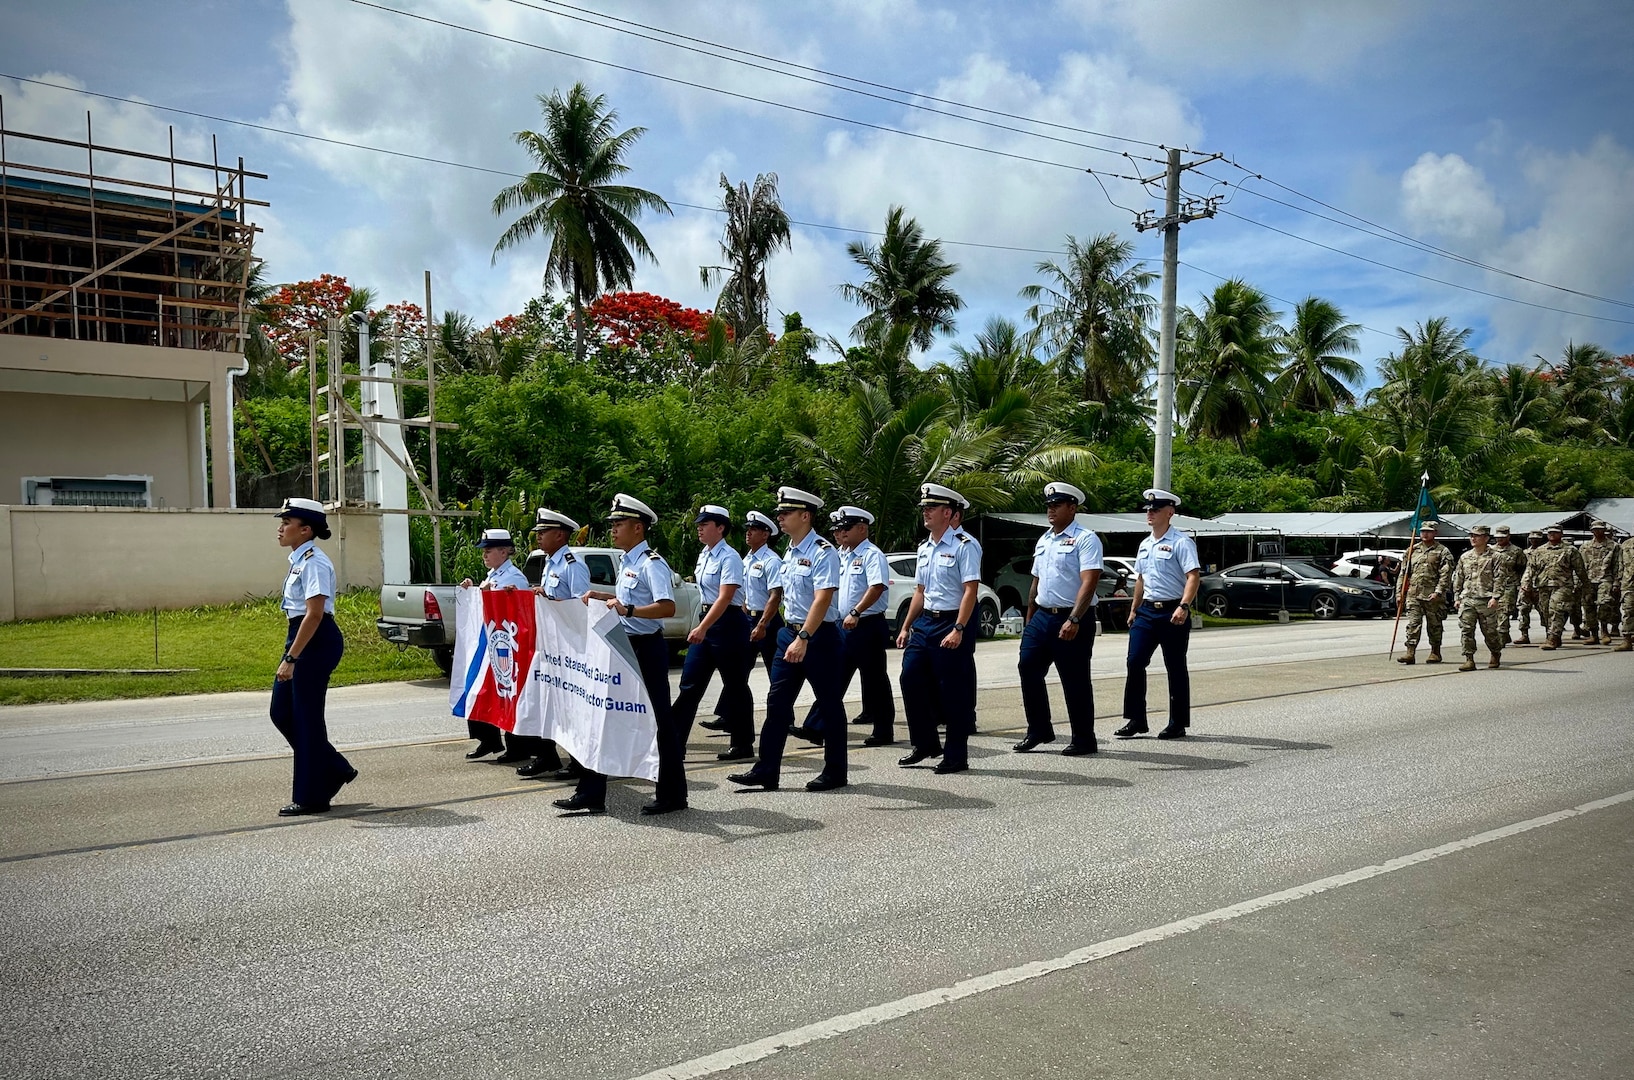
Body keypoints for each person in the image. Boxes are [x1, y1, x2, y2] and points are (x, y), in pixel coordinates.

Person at [553, 494, 684, 817]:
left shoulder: (651, 563)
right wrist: (605, 596)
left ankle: (673, 794)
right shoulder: (628, 561)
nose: (612, 529)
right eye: (612, 524)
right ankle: (590, 792)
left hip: (646, 648)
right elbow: (626, 599)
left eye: (619, 524)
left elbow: (668, 606)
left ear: (638, 528)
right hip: (622, 643)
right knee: (600, 713)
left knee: (658, 722)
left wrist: (629, 609)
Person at [728, 486, 850, 792]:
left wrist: (805, 636)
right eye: (780, 513)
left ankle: (836, 772)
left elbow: (823, 599)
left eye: (786, 513)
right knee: (777, 703)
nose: (779, 518)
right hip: (789, 634)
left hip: (818, 636)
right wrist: (791, 634)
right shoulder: (791, 551)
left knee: (829, 704)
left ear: (805, 516)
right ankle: (766, 770)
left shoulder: (823, 551)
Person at [270, 498, 356, 817]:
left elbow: (315, 614)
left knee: (306, 720)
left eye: (287, 523)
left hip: (315, 641)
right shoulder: (299, 559)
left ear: (305, 530)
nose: (280, 528)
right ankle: (333, 767)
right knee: (282, 712)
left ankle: (312, 796)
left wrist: (291, 659)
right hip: (302, 637)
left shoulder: (314, 562)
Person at [895, 483, 982, 773]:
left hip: (952, 620)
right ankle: (925, 743)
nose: (926, 513)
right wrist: (906, 626)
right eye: (924, 508)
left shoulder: (965, 545)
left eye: (931, 508)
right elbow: (920, 591)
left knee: (952, 690)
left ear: (948, 513)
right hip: (925, 623)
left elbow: (970, 590)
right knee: (910, 678)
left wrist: (959, 628)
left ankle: (956, 755)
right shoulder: (925, 547)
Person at [1016, 482, 1103, 755]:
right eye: (1049, 506)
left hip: (1073, 617)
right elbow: (1036, 581)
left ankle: (1084, 739)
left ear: (1072, 508)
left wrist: (1075, 619)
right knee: (1027, 667)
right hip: (1042, 616)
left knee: (1074, 679)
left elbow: (1089, 583)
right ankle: (1039, 729)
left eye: (1057, 505)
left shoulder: (1086, 539)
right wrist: (1030, 618)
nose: (1051, 510)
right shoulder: (1044, 539)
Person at [800, 505, 895, 747]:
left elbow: (877, 587)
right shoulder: (841, 554)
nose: (840, 533)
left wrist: (856, 611)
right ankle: (815, 726)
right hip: (842, 625)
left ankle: (884, 731)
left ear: (862, 529)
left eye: (845, 528)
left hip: (866, 624)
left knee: (874, 680)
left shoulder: (872, 555)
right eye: (838, 529)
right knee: (833, 677)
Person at [669, 505, 754, 765]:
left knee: (735, 685)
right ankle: (673, 743)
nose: (699, 528)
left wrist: (703, 627)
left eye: (705, 524)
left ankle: (742, 743)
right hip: (707, 619)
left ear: (720, 528)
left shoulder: (730, 557)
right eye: (700, 524)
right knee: (690, 684)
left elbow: (726, 596)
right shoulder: (705, 554)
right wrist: (703, 624)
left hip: (727, 623)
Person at [1115, 489, 1202, 740]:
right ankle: (1136, 719)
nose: (1150, 513)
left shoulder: (1181, 542)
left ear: (1170, 512)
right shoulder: (1145, 544)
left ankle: (1177, 722)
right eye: (1148, 510)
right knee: (1134, 662)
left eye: (1155, 509)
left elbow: (1193, 576)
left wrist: (1184, 606)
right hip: (1147, 612)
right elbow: (1141, 578)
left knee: (1175, 666)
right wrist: (1134, 608)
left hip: (1173, 610)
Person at [517, 509, 590, 779]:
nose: (538, 537)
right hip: (548, 646)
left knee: (569, 708)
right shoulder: (550, 563)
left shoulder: (573, 565)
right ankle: (546, 757)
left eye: (543, 532)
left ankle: (579, 762)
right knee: (543, 702)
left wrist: (549, 600)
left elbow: (580, 607)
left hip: (568, 647)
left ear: (560, 535)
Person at [704, 511, 783, 758]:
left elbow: (775, 595)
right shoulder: (745, 559)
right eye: (747, 528)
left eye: (754, 529)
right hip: (747, 619)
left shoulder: (771, 560)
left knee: (776, 673)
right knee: (738, 671)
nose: (748, 533)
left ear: (766, 534)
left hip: (767, 622)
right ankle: (728, 715)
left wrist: (762, 624)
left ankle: (783, 716)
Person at [460, 528, 533, 763]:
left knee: (508, 694)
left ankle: (517, 746)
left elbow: (521, 612)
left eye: (489, 550)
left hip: (507, 645)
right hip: (490, 642)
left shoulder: (514, 577)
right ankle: (488, 738)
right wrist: (472, 590)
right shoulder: (493, 575)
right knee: (479, 689)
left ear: (504, 551)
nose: (484, 555)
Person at [1395, 520, 1454, 665]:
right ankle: (1410, 652)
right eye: (1422, 531)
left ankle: (1435, 652)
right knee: (1413, 624)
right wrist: (1399, 593)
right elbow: (1404, 573)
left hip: (1432, 596)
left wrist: (1439, 592)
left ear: (1435, 533)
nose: (1425, 534)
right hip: (1413, 594)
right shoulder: (1411, 550)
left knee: (1434, 625)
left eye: (1428, 531)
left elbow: (1445, 574)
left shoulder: (1442, 551)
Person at [1452, 524, 1504, 671]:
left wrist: (1496, 597)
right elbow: (1459, 577)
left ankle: (1495, 652)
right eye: (1471, 535)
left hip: (1486, 600)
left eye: (1477, 535)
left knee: (1490, 632)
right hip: (1468, 598)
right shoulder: (1465, 557)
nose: (1473, 538)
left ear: (1486, 538)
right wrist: (1457, 597)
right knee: (1466, 630)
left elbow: (1499, 578)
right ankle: (1469, 659)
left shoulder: (1495, 557)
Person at [1535, 524, 1584, 651]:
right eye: (1550, 532)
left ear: (1561, 534)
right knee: (1545, 612)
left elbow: (1580, 570)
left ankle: (1552, 638)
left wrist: (1586, 586)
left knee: (1556, 610)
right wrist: (1526, 584)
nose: (1552, 534)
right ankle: (1554, 636)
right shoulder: (1539, 551)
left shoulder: (1570, 550)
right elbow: (1531, 569)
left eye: (1555, 532)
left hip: (1563, 586)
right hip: (1544, 585)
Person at [1578, 520, 1621, 645]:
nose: (1598, 531)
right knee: (1588, 607)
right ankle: (1594, 634)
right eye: (1595, 529)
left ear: (1604, 530)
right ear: (1592, 531)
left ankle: (1604, 630)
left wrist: (1616, 582)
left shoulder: (1614, 546)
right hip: (1588, 581)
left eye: (1600, 529)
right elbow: (1579, 567)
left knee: (1604, 604)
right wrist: (1577, 583)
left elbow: (1618, 565)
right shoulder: (1584, 547)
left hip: (1605, 579)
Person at [1490, 525, 1527, 645]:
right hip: (1492, 586)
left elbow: (1523, 568)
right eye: (1497, 537)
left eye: (1502, 537)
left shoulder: (1516, 551)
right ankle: (1504, 634)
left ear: (1508, 536)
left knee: (1504, 611)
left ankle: (1501, 636)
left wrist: (1522, 584)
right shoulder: (1490, 551)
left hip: (1509, 585)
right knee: (1494, 613)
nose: (1499, 539)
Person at [1516, 530, 1548, 645]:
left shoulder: (1546, 552)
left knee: (1544, 611)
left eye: (1537, 538)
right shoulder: (1524, 553)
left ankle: (1549, 634)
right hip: (1526, 585)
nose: (1534, 540)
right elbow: (1519, 569)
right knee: (1523, 609)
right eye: (1532, 538)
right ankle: (1524, 634)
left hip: (1541, 585)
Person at [1617, 530, 1634, 652]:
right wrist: (1617, 582)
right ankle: (1627, 640)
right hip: (1629, 583)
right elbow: (1620, 565)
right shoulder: (1626, 544)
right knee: (1628, 610)